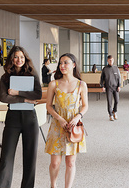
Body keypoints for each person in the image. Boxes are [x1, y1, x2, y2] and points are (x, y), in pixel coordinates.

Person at [0, 46, 43, 188]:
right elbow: (3, 97)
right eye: (15, 57)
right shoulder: (5, 77)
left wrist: (16, 92)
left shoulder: (32, 74)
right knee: (6, 158)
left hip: (30, 119)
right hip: (12, 118)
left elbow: (37, 95)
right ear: (11, 59)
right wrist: (25, 99)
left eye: (21, 57)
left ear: (25, 58)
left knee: (30, 158)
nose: (19, 60)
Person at [45, 53, 88, 188]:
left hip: (73, 126)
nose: (62, 66)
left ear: (73, 65)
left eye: (66, 63)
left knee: (70, 162)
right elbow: (48, 106)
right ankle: (53, 185)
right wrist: (59, 119)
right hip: (58, 126)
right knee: (55, 162)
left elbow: (85, 105)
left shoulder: (81, 84)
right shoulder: (54, 84)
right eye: (60, 63)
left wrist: (78, 116)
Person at [99, 55, 121, 120]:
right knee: (109, 101)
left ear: (113, 60)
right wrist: (102, 86)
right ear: (107, 61)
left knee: (117, 100)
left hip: (115, 87)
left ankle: (115, 111)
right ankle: (110, 114)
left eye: (111, 60)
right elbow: (102, 78)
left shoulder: (116, 68)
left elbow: (119, 77)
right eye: (109, 60)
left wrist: (119, 86)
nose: (110, 61)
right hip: (108, 87)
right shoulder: (105, 69)